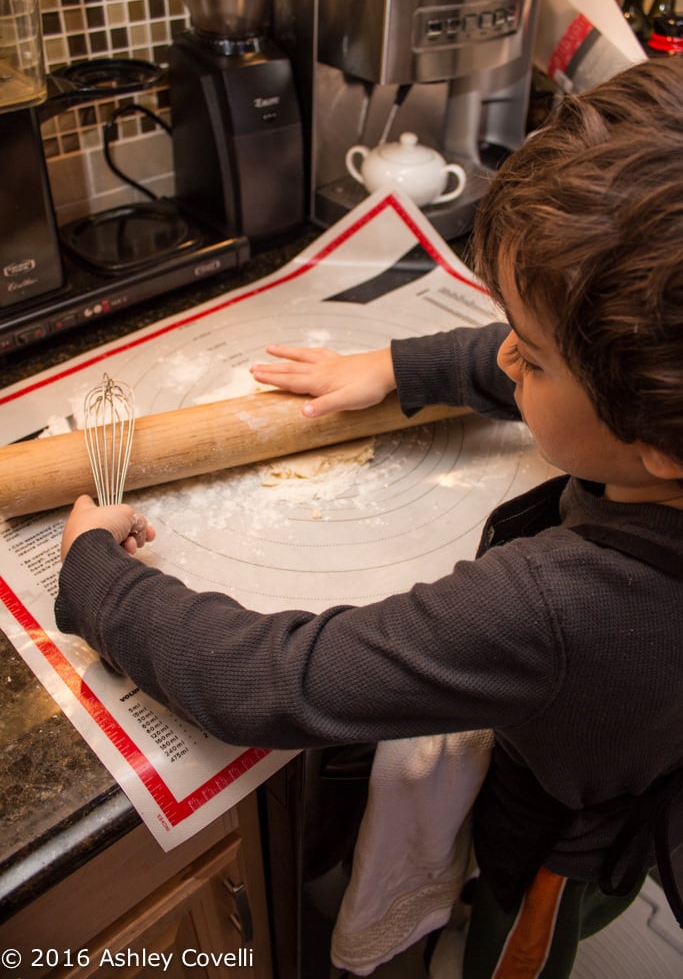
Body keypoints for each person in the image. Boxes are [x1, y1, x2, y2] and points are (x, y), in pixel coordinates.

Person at [56, 58, 683, 978]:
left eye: (534, 361)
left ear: (657, 438)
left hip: (555, 842)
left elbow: (276, 679)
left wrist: (94, 578)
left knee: (509, 947)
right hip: (623, 744)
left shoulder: (561, 610)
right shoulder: (658, 415)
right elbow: (546, 354)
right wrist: (399, 369)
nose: (503, 354)